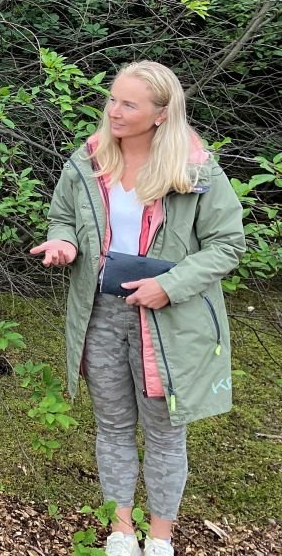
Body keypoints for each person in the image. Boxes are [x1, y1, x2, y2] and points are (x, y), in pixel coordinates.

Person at [31, 61, 245, 556]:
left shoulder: (196, 170)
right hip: (101, 315)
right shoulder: (87, 161)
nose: (114, 111)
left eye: (129, 104)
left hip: (169, 321)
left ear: (161, 114)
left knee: (165, 434)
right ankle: (121, 532)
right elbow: (62, 217)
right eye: (113, 99)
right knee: (111, 427)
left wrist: (169, 285)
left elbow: (228, 244)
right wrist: (64, 244)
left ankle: (161, 539)